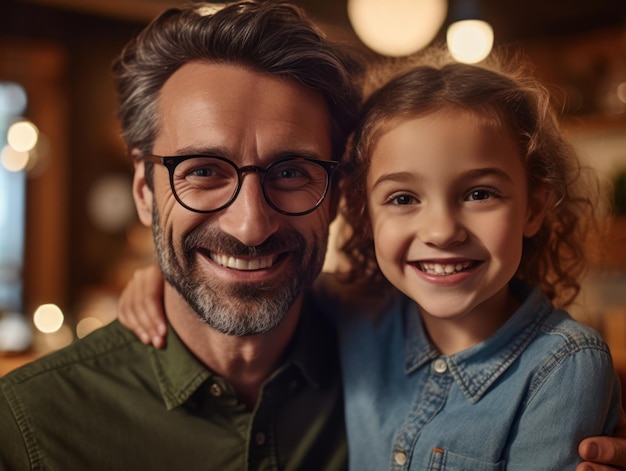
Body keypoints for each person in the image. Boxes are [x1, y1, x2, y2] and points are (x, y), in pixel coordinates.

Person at [117, 48, 626, 470]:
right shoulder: (358, 311)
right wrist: (163, 278)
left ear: (535, 206)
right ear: (362, 212)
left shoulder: (565, 367)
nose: (442, 231)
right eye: (403, 199)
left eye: (479, 194)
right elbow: (253, 280)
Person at [0, 2, 362, 469]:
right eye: (204, 171)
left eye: (291, 171)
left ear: (334, 196)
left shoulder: (403, 370)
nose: (250, 225)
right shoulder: (29, 427)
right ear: (144, 192)